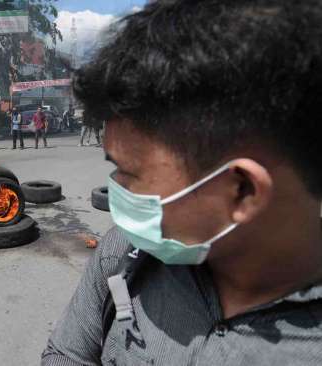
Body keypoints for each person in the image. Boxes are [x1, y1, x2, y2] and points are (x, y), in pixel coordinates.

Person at [43, 1, 322, 365]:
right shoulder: (123, 255)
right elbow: (66, 354)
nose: (117, 190)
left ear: (242, 191)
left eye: (128, 172)